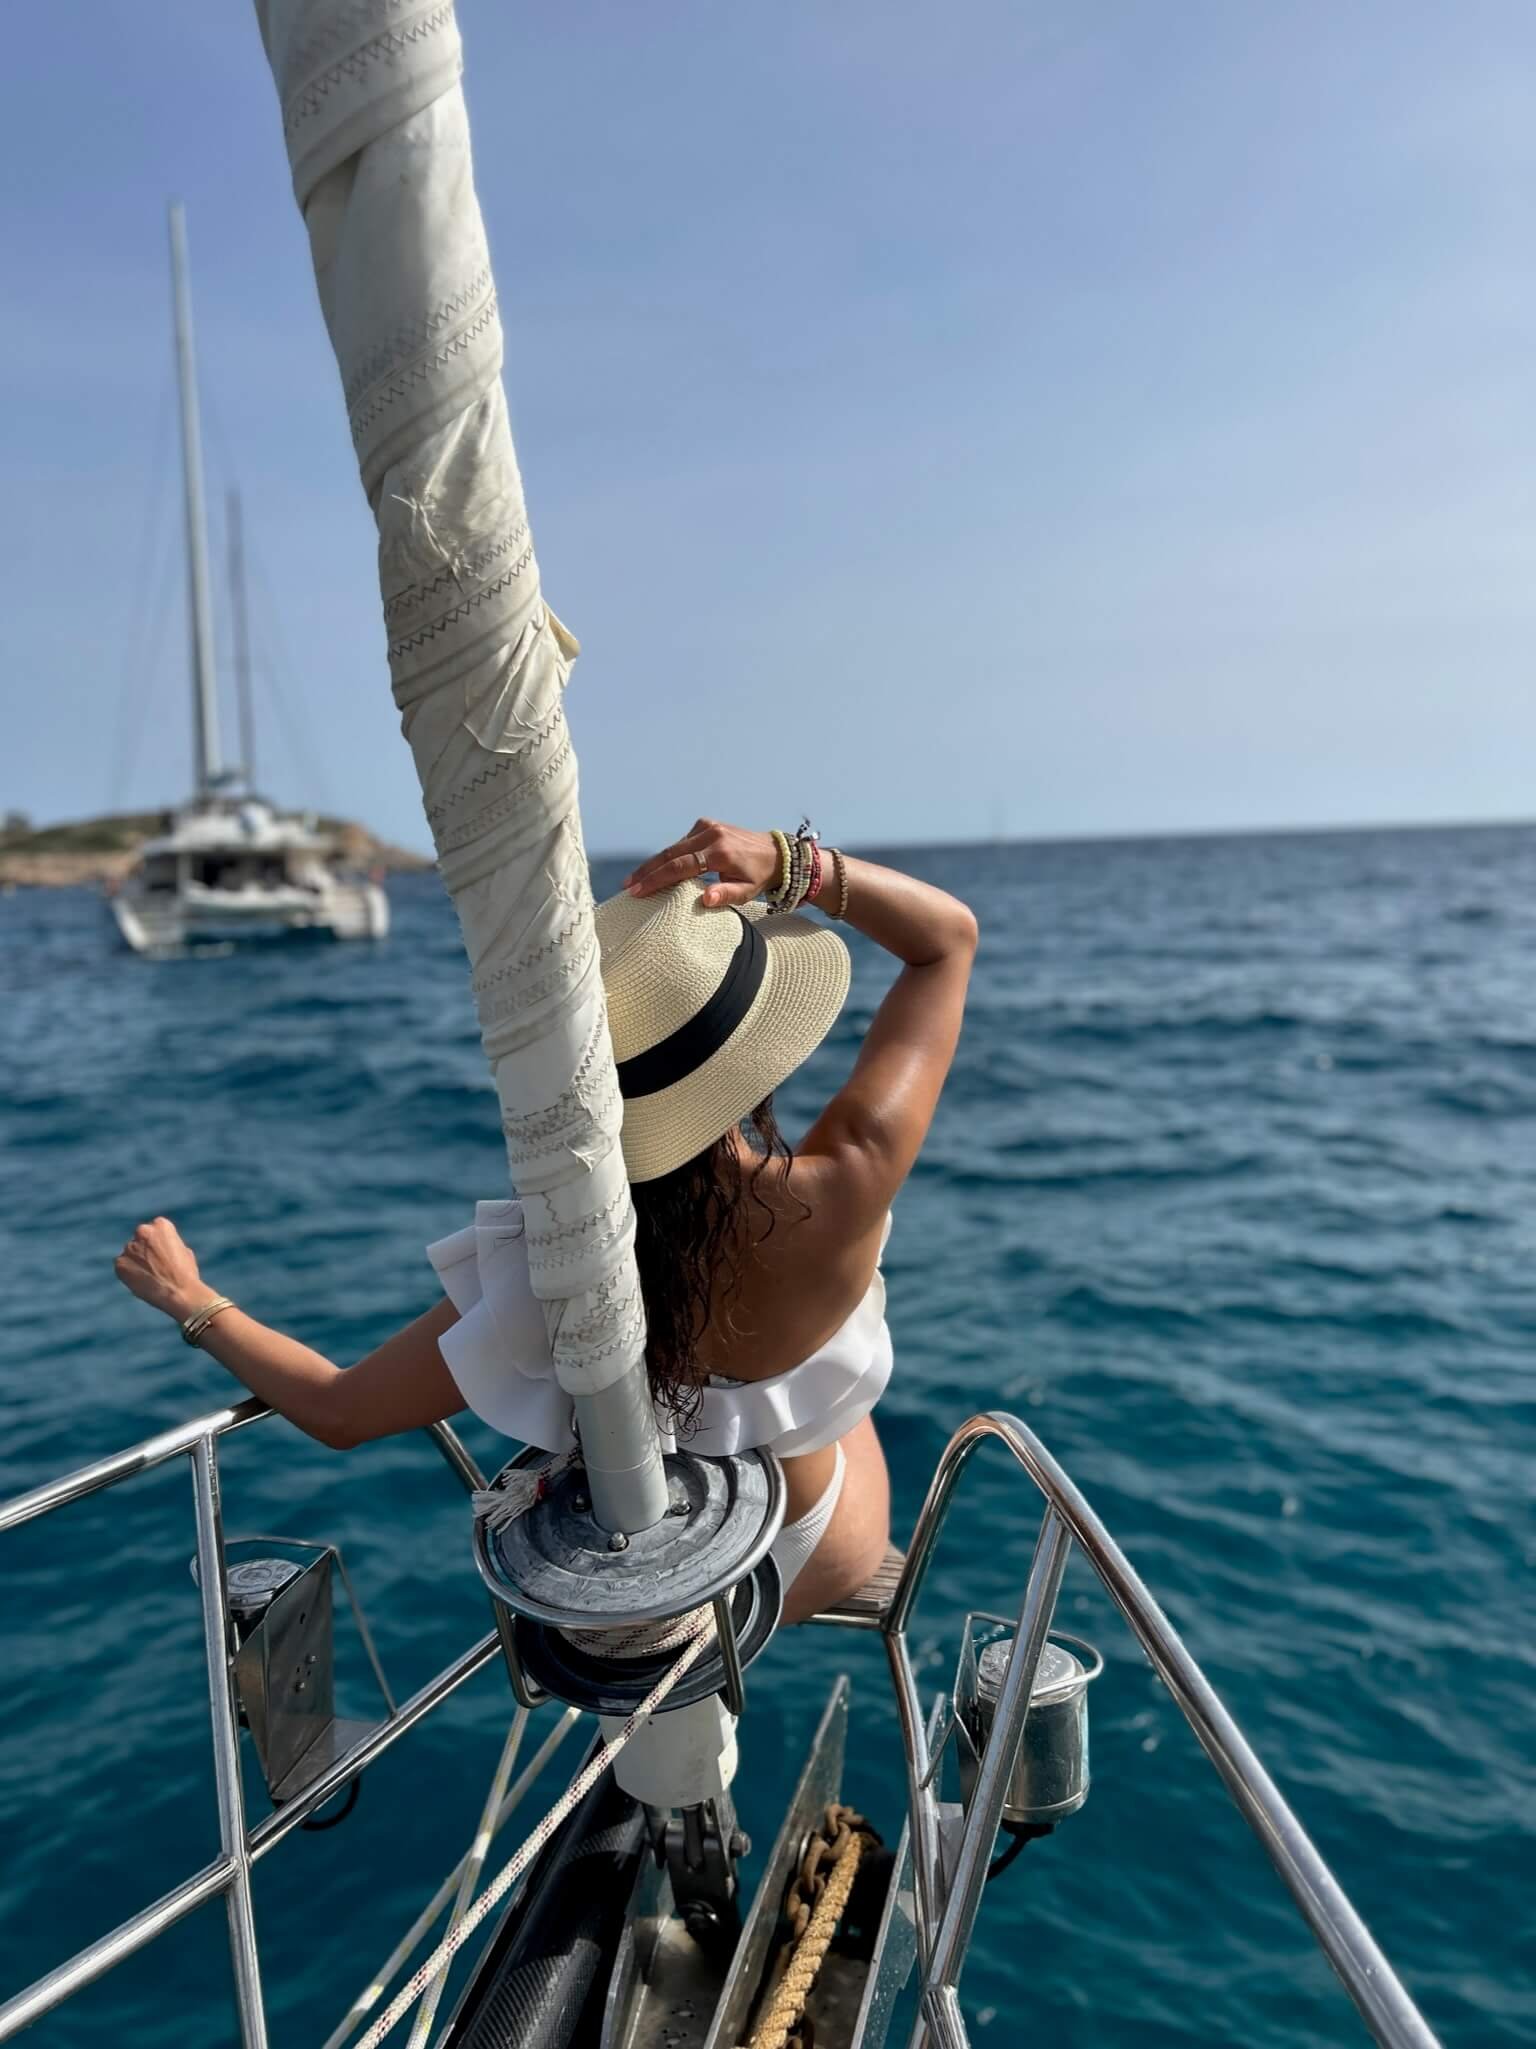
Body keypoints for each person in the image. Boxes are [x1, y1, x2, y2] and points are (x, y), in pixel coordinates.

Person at [115, 821, 977, 1622]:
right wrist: (799, 866)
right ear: (755, 1061)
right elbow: (947, 942)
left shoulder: (555, 1265)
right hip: (809, 1551)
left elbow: (340, 1411)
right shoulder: (848, 1179)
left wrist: (192, 1300)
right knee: (836, 1405)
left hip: (640, 1581)